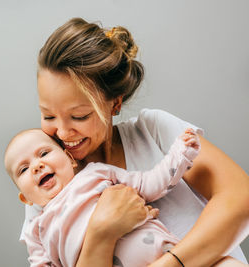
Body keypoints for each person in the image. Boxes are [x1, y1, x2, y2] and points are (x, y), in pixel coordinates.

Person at [18, 17, 249, 267]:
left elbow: (240, 198)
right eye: (48, 115)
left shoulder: (153, 131)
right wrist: (101, 232)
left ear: (115, 103)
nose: (62, 133)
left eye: (79, 116)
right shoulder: (46, 186)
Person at [5, 128, 227, 266]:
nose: (36, 166)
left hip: (168, 253)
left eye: (43, 153)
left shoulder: (97, 173)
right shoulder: (36, 230)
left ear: (70, 159)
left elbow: (149, 184)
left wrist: (179, 155)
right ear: (26, 199)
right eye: (23, 169)